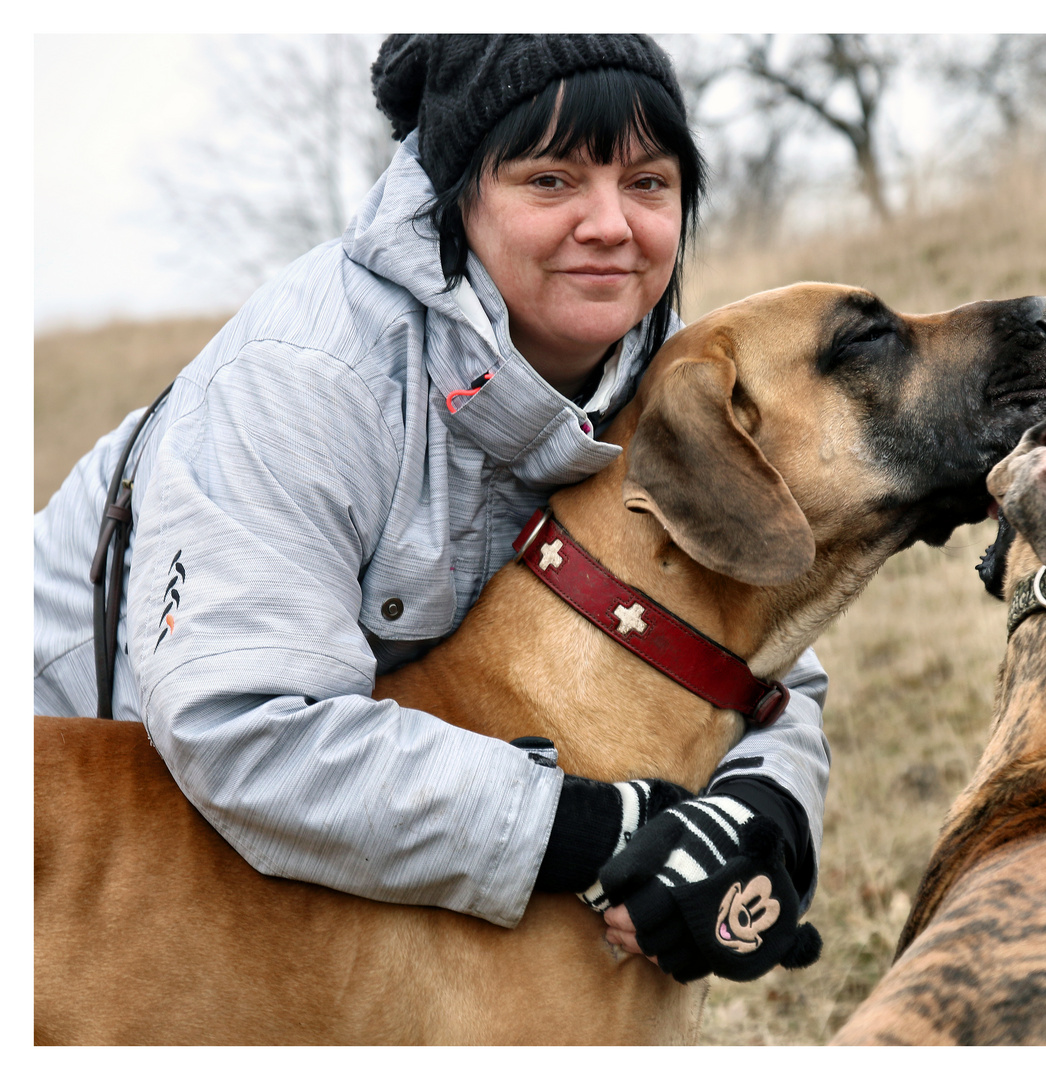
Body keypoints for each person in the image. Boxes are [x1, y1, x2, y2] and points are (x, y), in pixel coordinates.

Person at [33, 34, 828, 983]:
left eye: (649, 184)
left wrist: (762, 819)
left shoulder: (648, 376)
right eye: (551, 181)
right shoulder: (308, 379)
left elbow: (742, 654)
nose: (612, 224)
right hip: (70, 814)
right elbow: (241, 728)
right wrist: (598, 829)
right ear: (456, 193)